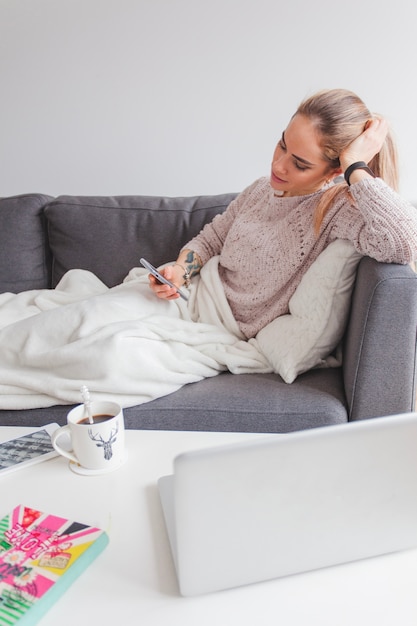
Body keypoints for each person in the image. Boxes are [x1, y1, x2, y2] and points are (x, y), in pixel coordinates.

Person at [148, 88, 417, 339]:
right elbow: (211, 240)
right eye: (283, 144)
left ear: (335, 171)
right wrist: (180, 271)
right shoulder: (259, 189)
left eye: (300, 164)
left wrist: (355, 165)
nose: (278, 165)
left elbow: (405, 243)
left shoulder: (336, 211)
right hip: (191, 297)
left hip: (219, 329)